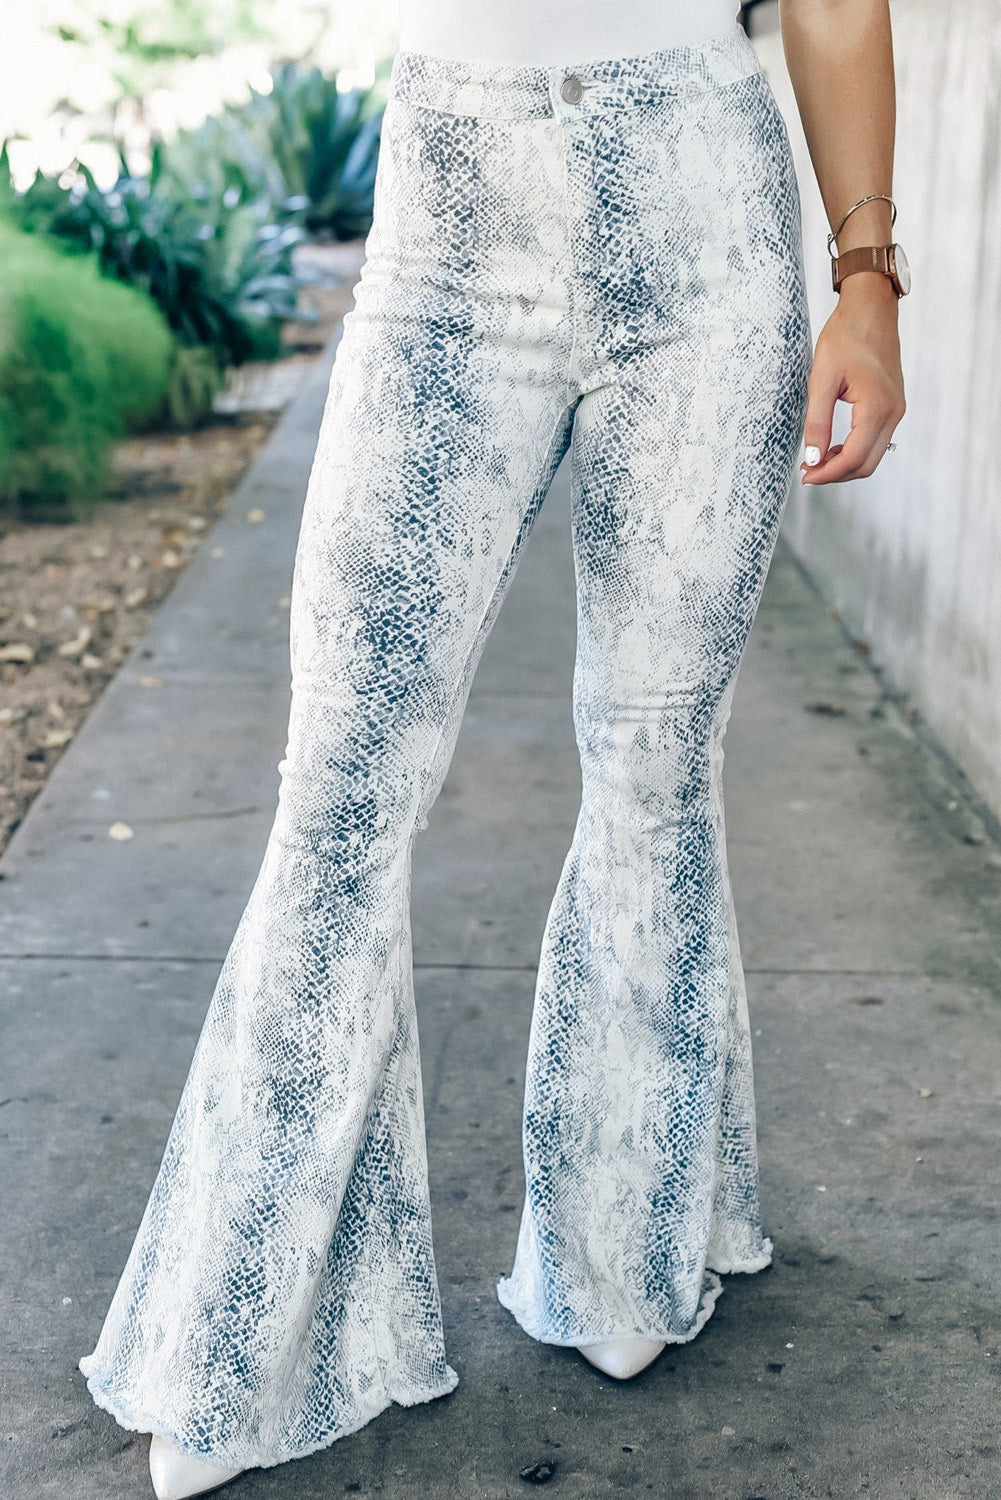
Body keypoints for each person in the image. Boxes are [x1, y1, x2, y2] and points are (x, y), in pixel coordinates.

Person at [78, 0, 907, 1495]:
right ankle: (243, 1327)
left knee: (653, 759)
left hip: (704, 206)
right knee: (340, 791)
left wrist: (865, 283)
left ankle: (624, 1239)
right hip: (451, 199)